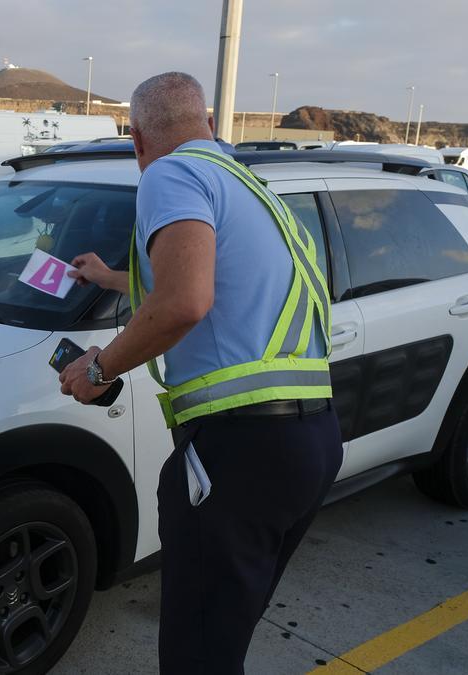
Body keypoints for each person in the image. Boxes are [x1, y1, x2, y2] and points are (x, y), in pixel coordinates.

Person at [58, 72, 341, 674]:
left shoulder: (170, 173)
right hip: (311, 441)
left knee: (196, 655)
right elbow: (217, 285)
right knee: (221, 639)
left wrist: (100, 367)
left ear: (137, 140)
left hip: (240, 453)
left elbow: (186, 301)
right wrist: (112, 277)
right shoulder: (250, 187)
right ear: (208, 125)